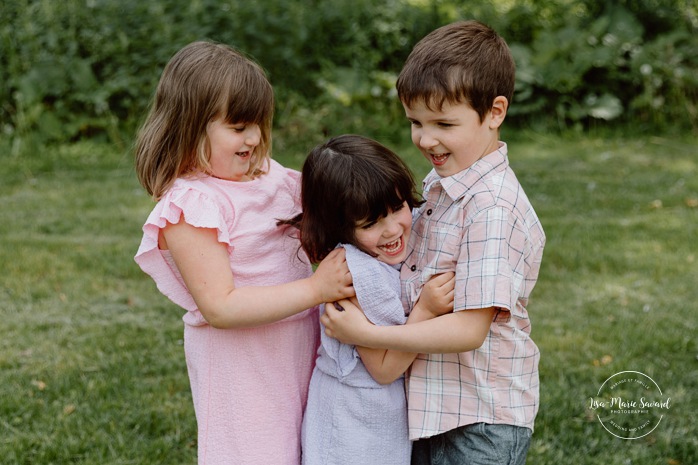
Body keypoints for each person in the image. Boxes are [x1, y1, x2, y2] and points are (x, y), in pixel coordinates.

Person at [321, 21, 546, 465]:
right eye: (415, 122)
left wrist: (367, 334)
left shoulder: (491, 208)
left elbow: (468, 329)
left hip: (481, 419)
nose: (426, 139)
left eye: (444, 123)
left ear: (495, 112)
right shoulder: (444, 186)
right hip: (433, 410)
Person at [133, 41, 354, 465]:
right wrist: (317, 287)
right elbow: (221, 306)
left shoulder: (269, 175)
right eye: (238, 127)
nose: (253, 138)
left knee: (307, 446)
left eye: (258, 124)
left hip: (298, 350)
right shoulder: (193, 204)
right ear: (190, 128)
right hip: (242, 369)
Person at [282, 135, 455, 465]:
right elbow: (384, 369)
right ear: (341, 228)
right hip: (353, 422)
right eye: (371, 223)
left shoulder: (384, 248)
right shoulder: (355, 276)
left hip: (372, 414)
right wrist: (427, 309)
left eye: (397, 208)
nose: (391, 230)